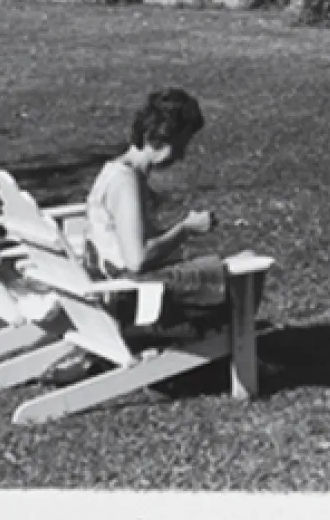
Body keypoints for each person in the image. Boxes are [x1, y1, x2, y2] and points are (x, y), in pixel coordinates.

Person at [42, 87, 237, 385]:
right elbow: (136, 259)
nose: (182, 155)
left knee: (222, 269)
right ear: (157, 138)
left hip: (113, 292)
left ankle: (234, 353)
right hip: (134, 301)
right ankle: (245, 362)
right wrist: (185, 229)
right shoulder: (125, 182)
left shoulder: (113, 172)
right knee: (242, 274)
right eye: (179, 145)